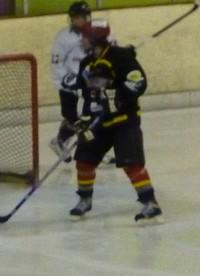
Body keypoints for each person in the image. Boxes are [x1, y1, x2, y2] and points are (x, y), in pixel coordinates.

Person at [68, 19, 162, 223]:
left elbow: (139, 82)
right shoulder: (86, 64)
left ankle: (150, 203)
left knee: (131, 163)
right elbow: (87, 95)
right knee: (84, 160)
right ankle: (85, 200)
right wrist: (85, 118)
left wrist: (118, 98)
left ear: (95, 40)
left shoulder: (121, 57)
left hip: (124, 120)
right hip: (99, 123)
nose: (81, 40)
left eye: (85, 37)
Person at [49, 1, 115, 165]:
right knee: (73, 119)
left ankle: (96, 151)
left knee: (94, 116)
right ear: (71, 19)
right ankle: (60, 141)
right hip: (69, 83)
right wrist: (66, 80)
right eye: (77, 17)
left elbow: (109, 48)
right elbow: (56, 62)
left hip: (90, 81)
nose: (81, 21)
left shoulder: (96, 33)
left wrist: (120, 53)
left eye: (84, 17)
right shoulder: (64, 37)